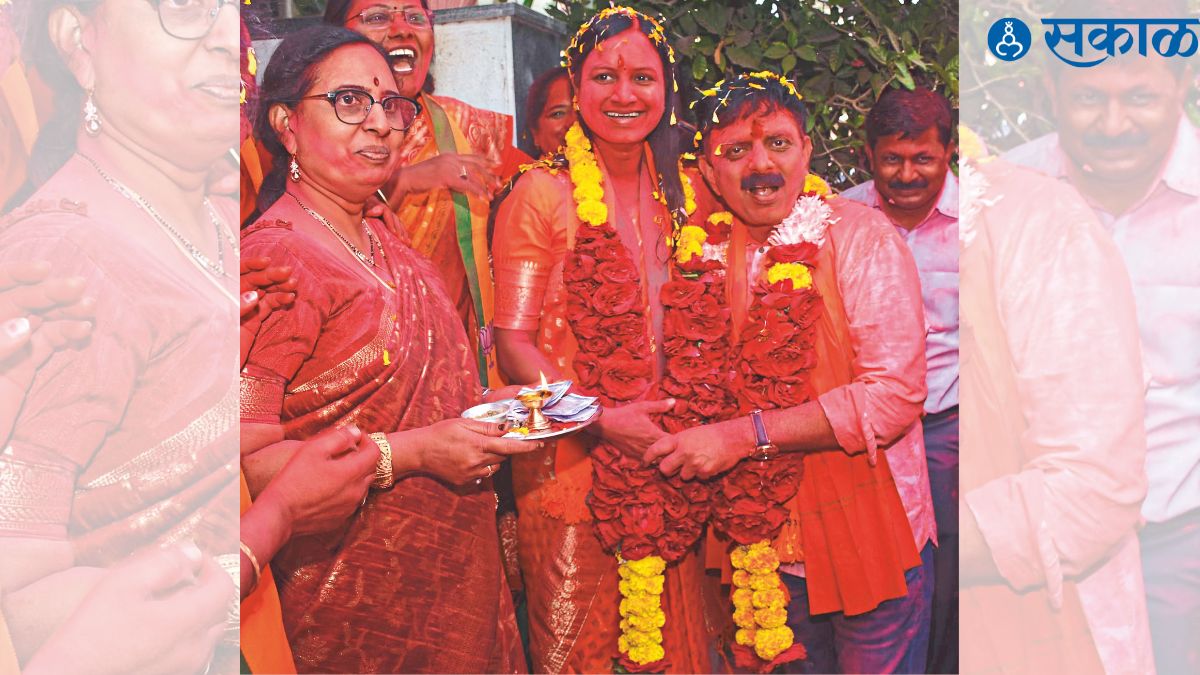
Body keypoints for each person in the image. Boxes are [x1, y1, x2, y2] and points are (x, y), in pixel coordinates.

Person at [240, 25, 541, 673]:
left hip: (453, 578)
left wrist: (483, 409)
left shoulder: (381, 228)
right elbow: (243, 466)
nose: (379, 122)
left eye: (392, 104)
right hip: (353, 606)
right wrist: (415, 452)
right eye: (349, 101)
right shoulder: (275, 259)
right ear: (287, 124)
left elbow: (417, 389)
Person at [643, 71, 932, 674]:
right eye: (736, 150)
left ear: (807, 152)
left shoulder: (860, 236)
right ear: (706, 169)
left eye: (778, 143)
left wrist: (739, 436)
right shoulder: (696, 256)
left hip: (875, 532)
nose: (760, 165)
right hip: (759, 545)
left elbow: (894, 396)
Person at [0, 0, 241, 672]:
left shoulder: (221, 213)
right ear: (81, 42)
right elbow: (18, 592)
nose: (230, 36)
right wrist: (228, 579)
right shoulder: (62, 263)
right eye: (188, 8)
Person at [490, 7, 714, 673]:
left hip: (676, 451)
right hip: (572, 462)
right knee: (579, 649)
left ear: (666, 89)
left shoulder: (691, 191)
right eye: (605, 76)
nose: (624, 94)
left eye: (643, 77)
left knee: (682, 644)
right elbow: (513, 345)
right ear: (577, 85)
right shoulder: (540, 194)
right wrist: (602, 417)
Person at [1004, 2, 1199, 670]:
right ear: (1051, 90)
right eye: (1089, 97)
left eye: (1141, 95)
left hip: (1180, 546)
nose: (1114, 126)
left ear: (1184, 82)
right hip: (1040, 561)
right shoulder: (1007, 196)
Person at [956, 150, 1153, 674]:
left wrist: (906, 554)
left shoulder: (1037, 219)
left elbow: (1093, 490)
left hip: (1040, 622)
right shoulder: (849, 219)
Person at [327, 0, 532, 388]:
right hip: (354, 373)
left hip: (457, 375)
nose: (402, 28)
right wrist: (405, 180)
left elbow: (545, 184)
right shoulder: (317, 126)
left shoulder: (471, 127)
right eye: (378, 16)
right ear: (336, 37)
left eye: (415, 17)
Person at [841, 85, 958, 673]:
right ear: (869, 156)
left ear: (950, 152)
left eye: (923, 159)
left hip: (949, 430)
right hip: (864, 434)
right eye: (893, 159)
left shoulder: (984, 224)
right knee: (879, 572)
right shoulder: (841, 216)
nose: (907, 174)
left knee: (952, 576)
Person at [524, 66, 574, 157]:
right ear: (535, 133)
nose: (573, 122)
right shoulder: (530, 171)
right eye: (558, 114)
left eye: (580, 112)